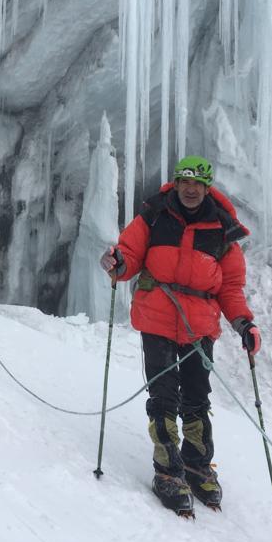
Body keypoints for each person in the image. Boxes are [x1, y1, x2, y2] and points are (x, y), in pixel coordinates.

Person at [99, 155, 261, 515]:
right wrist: (118, 263)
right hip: (156, 320)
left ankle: (197, 464)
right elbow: (129, 254)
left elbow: (231, 288)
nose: (191, 189)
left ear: (207, 187)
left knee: (197, 397)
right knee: (163, 396)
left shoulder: (222, 231)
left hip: (199, 327)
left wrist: (244, 324)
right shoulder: (154, 216)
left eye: (197, 183)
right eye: (185, 182)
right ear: (176, 183)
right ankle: (168, 470)